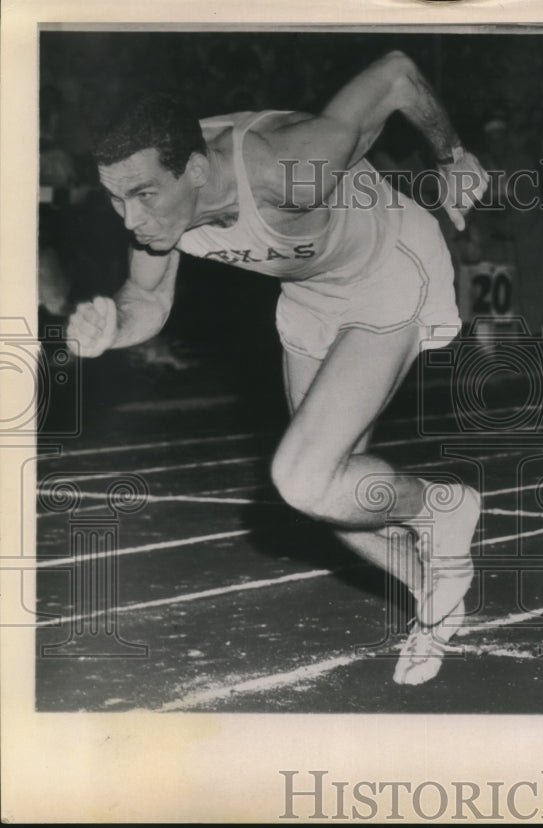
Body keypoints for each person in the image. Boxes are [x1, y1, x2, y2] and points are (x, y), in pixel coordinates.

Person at [66, 51, 490, 686]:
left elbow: (397, 73)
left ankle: (442, 508)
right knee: (327, 496)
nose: (131, 218)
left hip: (389, 270)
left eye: (144, 196)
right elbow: (147, 297)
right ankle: (433, 593)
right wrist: (113, 328)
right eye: (116, 199)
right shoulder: (154, 202)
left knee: (303, 476)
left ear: (197, 171)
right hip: (312, 296)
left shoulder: (288, 168)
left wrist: (452, 157)